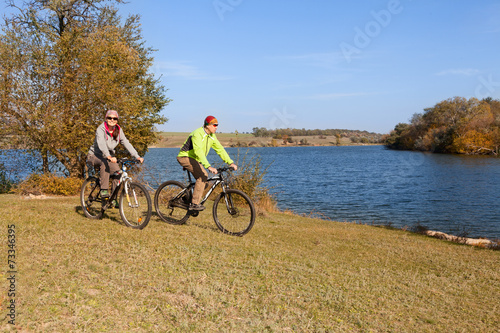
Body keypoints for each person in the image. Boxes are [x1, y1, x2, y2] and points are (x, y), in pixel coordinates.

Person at [177, 115, 237, 211]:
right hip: (185, 157)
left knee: (204, 183)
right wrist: (208, 166)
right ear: (208, 125)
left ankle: (185, 198)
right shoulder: (197, 134)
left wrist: (230, 162)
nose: (216, 127)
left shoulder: (212, 136)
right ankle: (194, 204)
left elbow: (220, 149)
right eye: (214, 125)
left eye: (217, 125)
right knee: (203, 176)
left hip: (195, 159)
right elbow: (198, 151)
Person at [87, 110, 144, 202]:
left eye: (115, 118)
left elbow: (126, 143)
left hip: (108, 157)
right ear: (106, 118)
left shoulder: (118, 130)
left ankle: (113, 199)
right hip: (94, 155)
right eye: (109, 118)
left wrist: (136, 156)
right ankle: (104, 190)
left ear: (117, 120)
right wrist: (108, 156)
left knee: (118, 173)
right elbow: (101, 144)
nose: (112, 120)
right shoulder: (101, 129)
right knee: (104, 162)